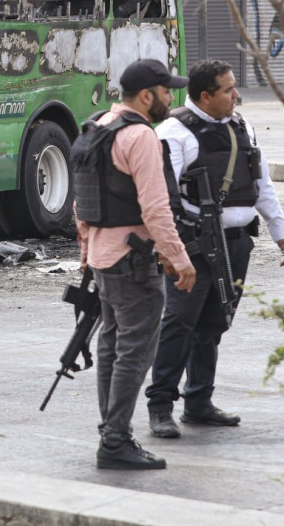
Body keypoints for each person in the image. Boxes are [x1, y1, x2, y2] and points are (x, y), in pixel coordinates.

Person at [146, 59, 284, 438]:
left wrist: (280, 230)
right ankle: (160, 406)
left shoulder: (241, 126)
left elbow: (261, 183)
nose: (236, 95)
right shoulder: (174, 133)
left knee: (214, 323)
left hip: (237, 243)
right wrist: (171, 250)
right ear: (205, 96)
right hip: (194, 244)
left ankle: (198, 402)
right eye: (228, 90)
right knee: (179, 324)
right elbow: (161, 198)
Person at [74, 59, 196, 470]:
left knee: (112, 346)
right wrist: (179, 259)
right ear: (146, 96)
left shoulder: (99, 125)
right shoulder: (141, 135)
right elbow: (156, 209)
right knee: (134, 351)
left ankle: (111, 431)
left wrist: (86, 253)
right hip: (132, 260)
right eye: (166, 91)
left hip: (104, 257)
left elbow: (82, 201)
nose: (171, 98)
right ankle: (115, 440)